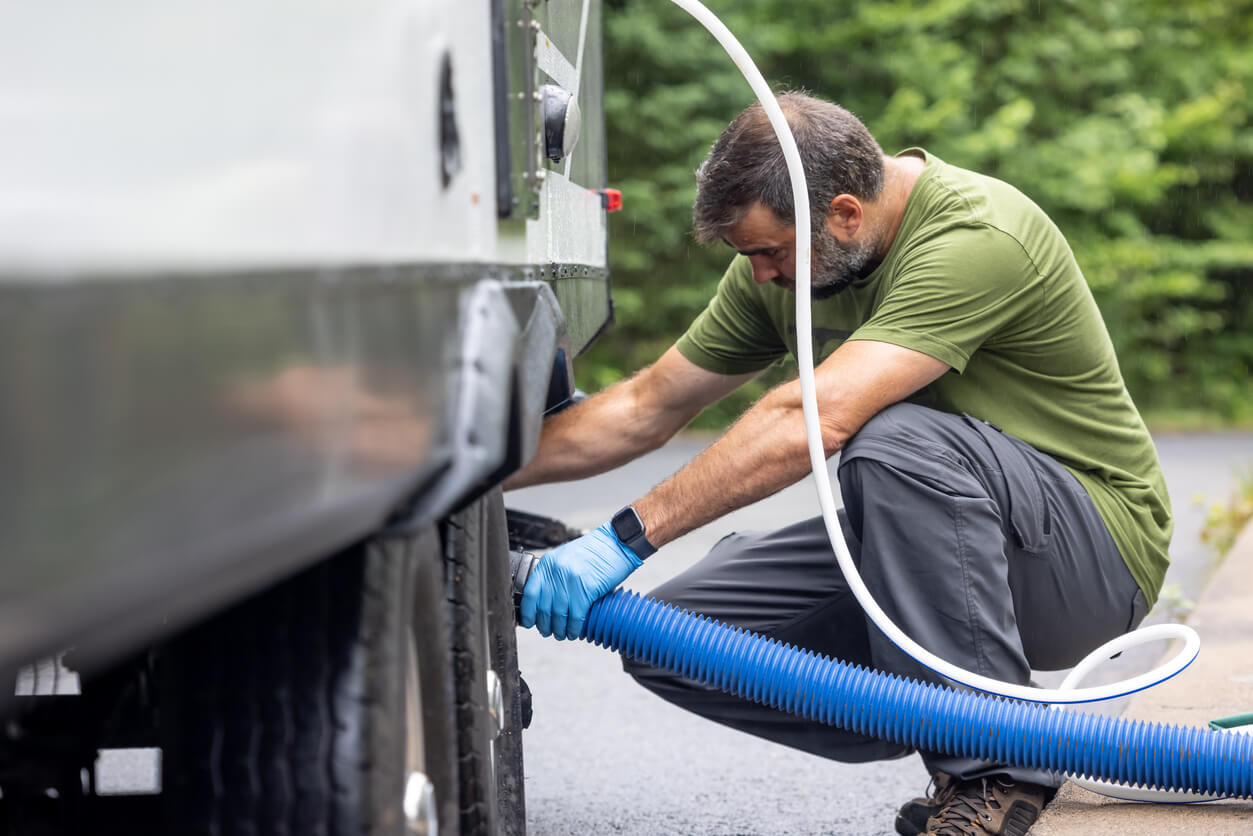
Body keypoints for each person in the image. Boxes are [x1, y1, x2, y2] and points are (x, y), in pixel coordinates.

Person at [504, 91, 1171, 836]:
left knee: (890, 438)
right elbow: (645, 407)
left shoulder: (976, 236)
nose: (759, 275)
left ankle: (993, 772)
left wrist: (620, 540)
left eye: (768, 253)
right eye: (747, 256)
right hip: (928, 552)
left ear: (845, 214)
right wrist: (459, 474)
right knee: (677, 640)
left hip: (1090, 557)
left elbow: (814, 419)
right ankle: (935, 712)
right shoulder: (793, 264)